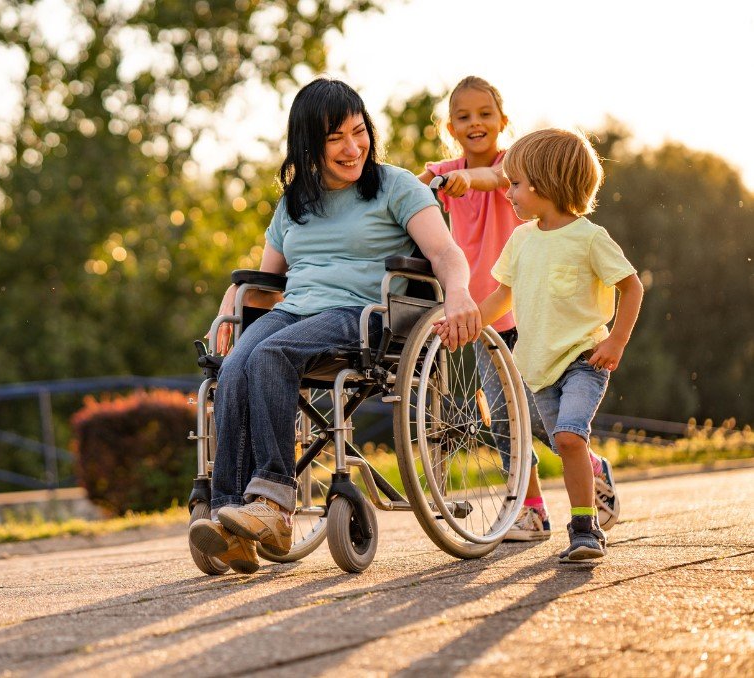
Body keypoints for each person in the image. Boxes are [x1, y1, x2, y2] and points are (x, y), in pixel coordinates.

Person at [188, 77, 482, 574]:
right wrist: (227, 307)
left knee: (270, 355)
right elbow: (265, 281)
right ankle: (229, 520)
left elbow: (445, 253)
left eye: (359, 131)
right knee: (234, 363)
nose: (354, 148)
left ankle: (274, 505)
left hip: (362, 314)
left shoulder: (394, 186)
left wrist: (458, 292)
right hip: (294, 311)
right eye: (336, 138)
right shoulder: (294, 204)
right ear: (308, 146)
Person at [418, 76, 620, 542]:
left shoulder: (520, 167)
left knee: (550, 424)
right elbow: (413, 189)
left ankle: (589, 466)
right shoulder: (445, 168)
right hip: (483, 313)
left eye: (485, 114)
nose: (475, 123)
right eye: (464, 117)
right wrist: (415, 188)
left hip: (530, 316)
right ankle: (530, 510)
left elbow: (493, 177)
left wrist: (467, 180)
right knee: (508, 419)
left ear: (502, 121)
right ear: (450, 126)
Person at [448, 127, 644, 562]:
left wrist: (616, 341)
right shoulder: (521, 240)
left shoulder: (590, 238)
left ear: (543, 185)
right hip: (538, 365)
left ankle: (584, 530)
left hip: (584, 359)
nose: (509, 193)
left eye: (514, 184)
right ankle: (592, 475)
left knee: (570, 438)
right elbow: (503, 295)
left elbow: (632, 289)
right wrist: (470, 322)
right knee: (563, 444)